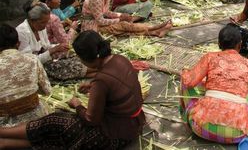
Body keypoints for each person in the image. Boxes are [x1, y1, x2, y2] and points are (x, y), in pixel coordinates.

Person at [0, 31, 145, 149]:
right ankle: (5, 141)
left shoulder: (102, 80)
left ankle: (4, 134)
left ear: (86, 57)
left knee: (56, 122)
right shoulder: (120, 59)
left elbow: (91, 119)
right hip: (134, 125)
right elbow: (118, 83)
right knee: (56, 130)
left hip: (115, 135)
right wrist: (93, 85)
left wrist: (77, 105)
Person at [180, 24, 248, 145]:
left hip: (202, 129)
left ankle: (186, 120)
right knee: (245, 93)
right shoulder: (247, 64)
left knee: (185, 79)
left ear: (219, 44)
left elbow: (189, 82)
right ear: (240, 45)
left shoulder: (210, 57)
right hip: (238, 134)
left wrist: (185, 72)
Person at [16, 2, 87, 80]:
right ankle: (98, 73)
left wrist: (59, 47)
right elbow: (29, 62)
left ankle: (98, 72)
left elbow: (46, 46)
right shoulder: (22, 32)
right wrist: (53, 50)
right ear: (32, 20)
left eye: (46, 22)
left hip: (45, 61)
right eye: (42, 23)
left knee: (78, 60)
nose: (45, 26)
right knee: (69, 67)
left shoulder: (40, 28)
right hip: (33, 67)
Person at [0, 24, 51, 127]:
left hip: (5, 126)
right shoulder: (33, 59)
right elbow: (47, 91)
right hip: (36, 119)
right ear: (18, 44)